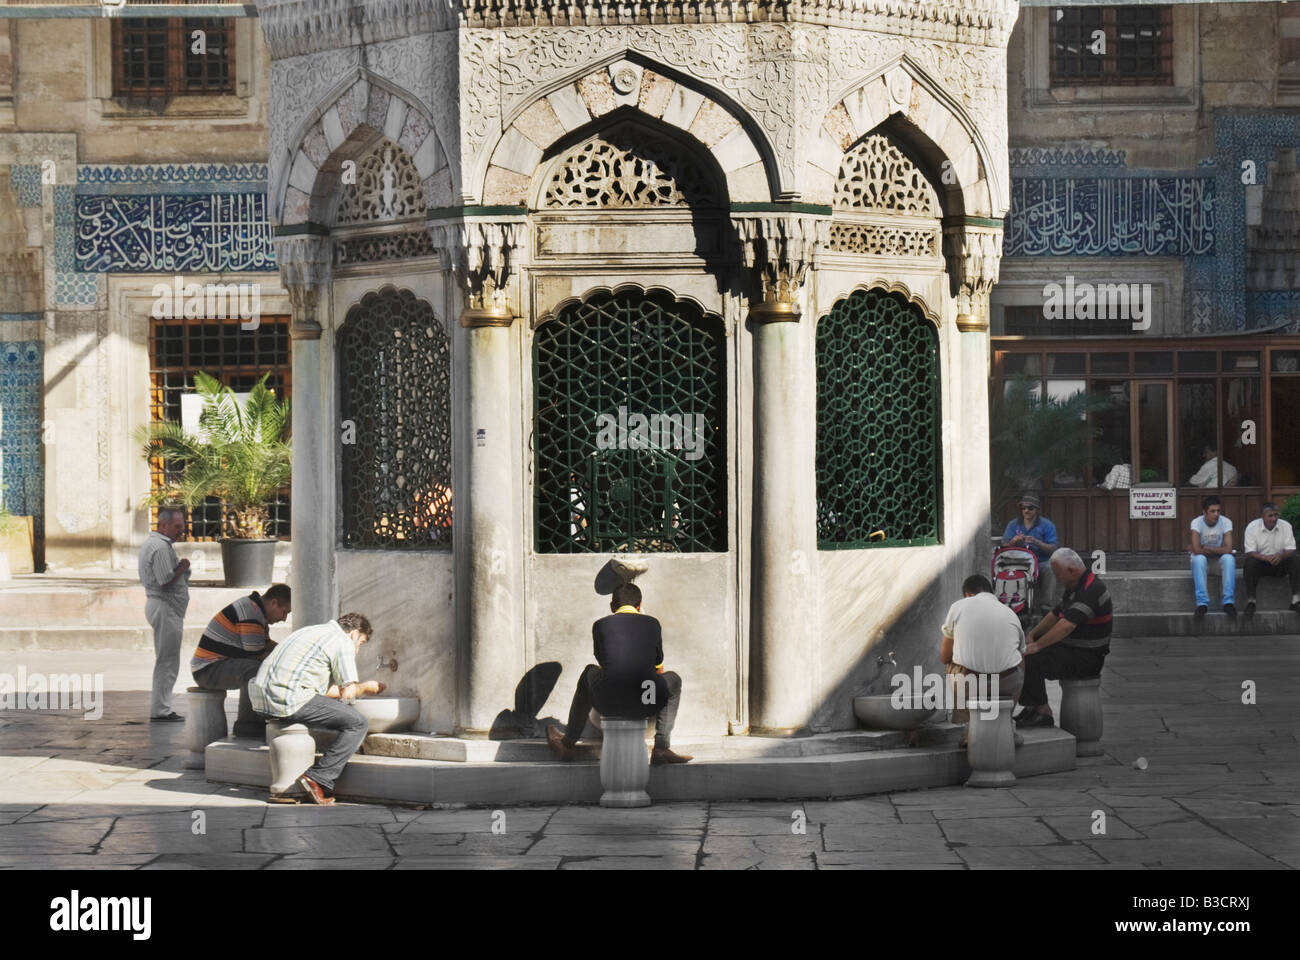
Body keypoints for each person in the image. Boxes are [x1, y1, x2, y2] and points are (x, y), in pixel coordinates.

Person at [546, 582, 692, 765]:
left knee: (588, 673)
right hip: (646, 702)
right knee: (674, 680)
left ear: (612, 606)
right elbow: (658, 668)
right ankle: (661, 747)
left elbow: (605, 664)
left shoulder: (600, 625)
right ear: (639, 606)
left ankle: (568, 743)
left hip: (608, 703)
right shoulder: (653, 624)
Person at [248, 612, 386, 804]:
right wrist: (366, 687)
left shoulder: (312, 631)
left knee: (334, 711)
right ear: (354, 634)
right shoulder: (343, 641)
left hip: (259, 698)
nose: (357, 650)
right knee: (357, 723)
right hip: (287, 697)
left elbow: (321, 689)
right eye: (361, 643)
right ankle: (319, 777)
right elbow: (349, 692)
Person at [1015, 548, 1111, 728]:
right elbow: (1055, 614)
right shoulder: (1076, 586)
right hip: (1072, 649)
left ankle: (1043, 711)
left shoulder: (1091, 589)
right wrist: (1032, 634)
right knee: (1022, 654)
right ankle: (1032, 706)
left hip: (1087, 657)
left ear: (1071, 571)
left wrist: (1037, 646)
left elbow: (1066, 625)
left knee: (1031, 659)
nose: (1058, 579)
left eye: (1059, 575)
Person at [190, 583, 292, 738]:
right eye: (284, 612)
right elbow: (256, 653)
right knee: (255, 670)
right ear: (273, 603)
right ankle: (247, 724)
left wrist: (288, 651)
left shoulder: (256, 610)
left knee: (263, 667)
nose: (284, 619)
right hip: (208, 669)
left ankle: (261, 716)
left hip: (215, 666)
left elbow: (265, 644)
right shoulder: (251, 612)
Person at [940, 574, 1025, 744]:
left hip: (970, 681)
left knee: (950, 664)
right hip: (1006, 682)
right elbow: (1022, 655)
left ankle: (968, 728)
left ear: (967, 595)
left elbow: (945, 657)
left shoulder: (959, 606)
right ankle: (1008, 723)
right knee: (1020, 662)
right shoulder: (1010, 612)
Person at [138, 506, 191, 722]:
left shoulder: (157, 545)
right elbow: (165, 580)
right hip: (164, 607)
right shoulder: (159, 547)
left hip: (165, 607)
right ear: (163, 526)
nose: (181, 531)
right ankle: (161, 710)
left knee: (167, 659)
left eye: (183, 527)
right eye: (177, 527)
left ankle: (162, 707)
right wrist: (183, 567)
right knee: (167, 661)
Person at [1243, 502, 1300, 618]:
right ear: (1262, 516)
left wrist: (1281, 556)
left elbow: (1291, 549)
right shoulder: (1252, 527)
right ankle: (1251, 602)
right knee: (1249, 563)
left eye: (1276, 515)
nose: (1274, 518)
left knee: (1296, 560)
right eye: (1270, 516)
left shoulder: (1285, 526)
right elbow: (1250, 551)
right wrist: (1265, 557)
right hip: (1261, 563)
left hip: (1280, 563)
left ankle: (1296, 600)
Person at [1002, 494, 1059, 610]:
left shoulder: (1047, 525)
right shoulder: (1013, 524)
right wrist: (1013, 541)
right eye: (1023, 508)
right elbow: (1003, 546)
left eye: (1030, 508)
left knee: (1050, 568)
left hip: (1040, 561)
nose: (1026, 511)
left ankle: (1046, 605)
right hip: (1018, 561)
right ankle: (1011, 604)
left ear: (1037, 510)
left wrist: (1037, 542)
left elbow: (1053, 549)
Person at [1190, 495, 1236, 618]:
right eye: (1212, 511)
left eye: (1218, 511)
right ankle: (1202, 604)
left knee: (1229, 559)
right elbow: (1197, 550)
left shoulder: (1226, 522)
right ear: (1204, 512)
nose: (1216, 514)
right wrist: (1220, 550)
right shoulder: (1196, 522)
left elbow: (1229, 549)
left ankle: (1228, 602)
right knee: (1199, 559)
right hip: (1202, 565)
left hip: (1218, 563)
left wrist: (1207, 548)